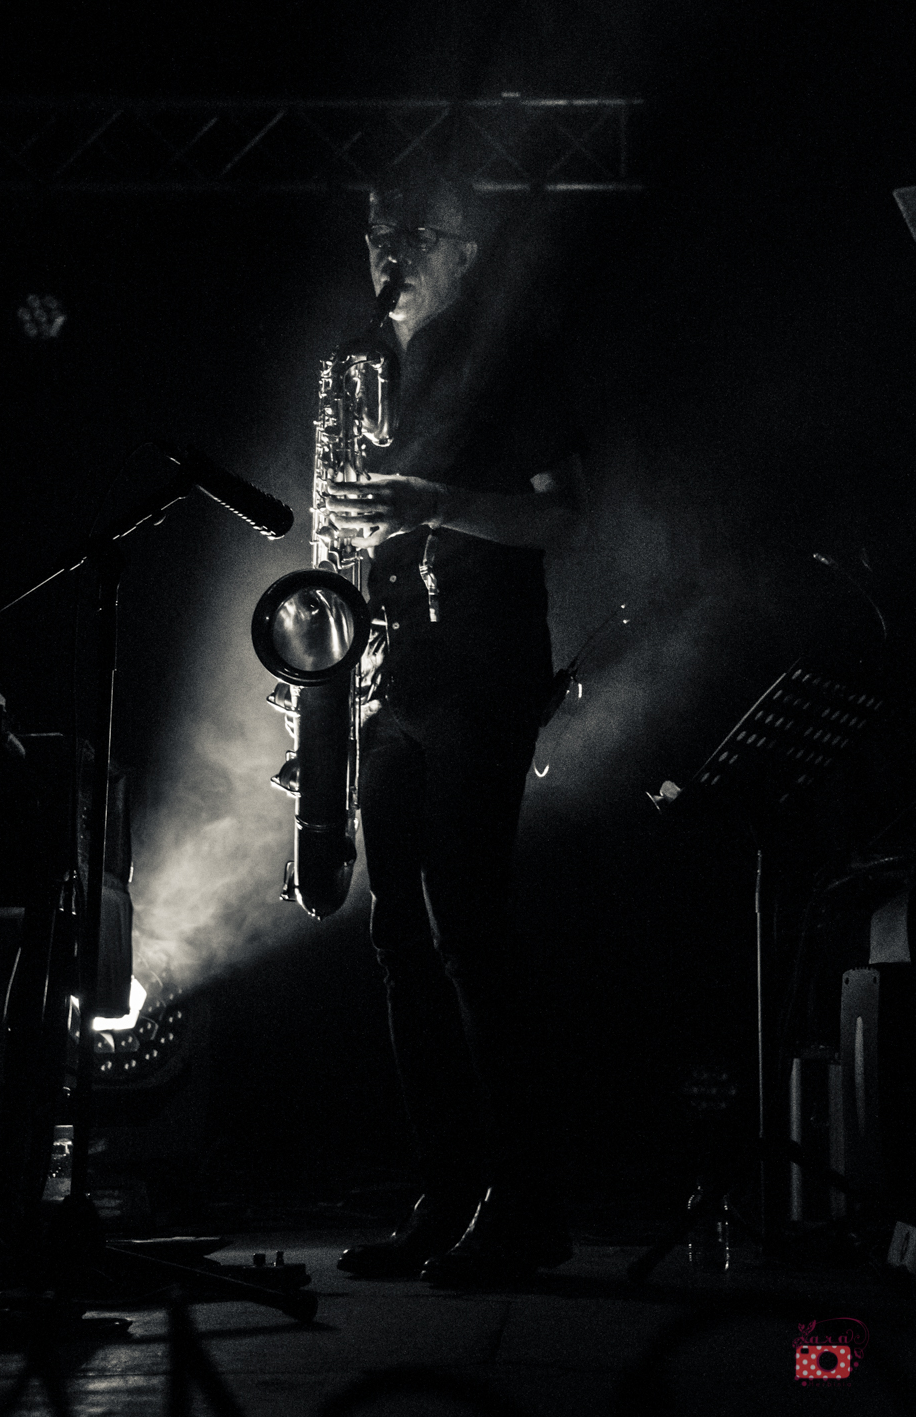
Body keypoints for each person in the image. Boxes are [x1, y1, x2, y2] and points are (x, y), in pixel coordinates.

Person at [324, 164, 586, 1285]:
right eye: (375, 230)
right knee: (397, 945)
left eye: (411, 231)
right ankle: (447, 1191)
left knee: (470, 938)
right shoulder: (383, 374)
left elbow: (565, 515)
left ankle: (525, 1208)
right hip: (394, 676)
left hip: (480, 673)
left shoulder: (512, 355)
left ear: (467, 249)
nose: (386, 252)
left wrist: (431, 505)